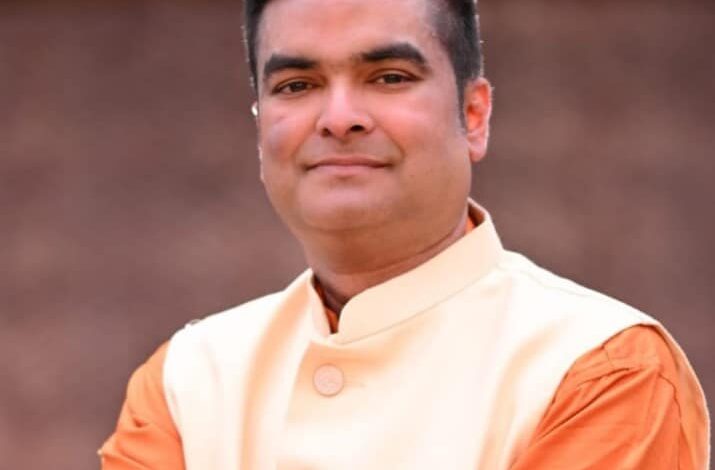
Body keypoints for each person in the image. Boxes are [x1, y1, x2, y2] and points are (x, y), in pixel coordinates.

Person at [100, 0, 710, 468]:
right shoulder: (187, 383)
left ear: (474, 116)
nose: (339, 118)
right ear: (260, 125)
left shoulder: (599, 371)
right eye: (297, 86)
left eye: (389, 77)